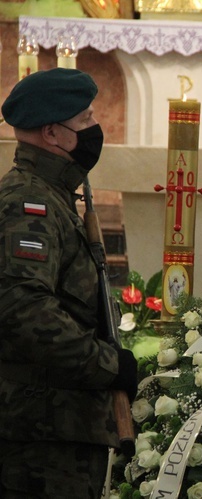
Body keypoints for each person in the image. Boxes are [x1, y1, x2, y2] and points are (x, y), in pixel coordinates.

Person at [0, 68, 138, 498]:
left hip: (60, 430)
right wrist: (109, 365)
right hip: (38, 439)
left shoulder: (54, 195)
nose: (96, 129)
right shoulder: (29, 203)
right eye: (86, 120)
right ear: (52, 134)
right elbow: (23, 311)